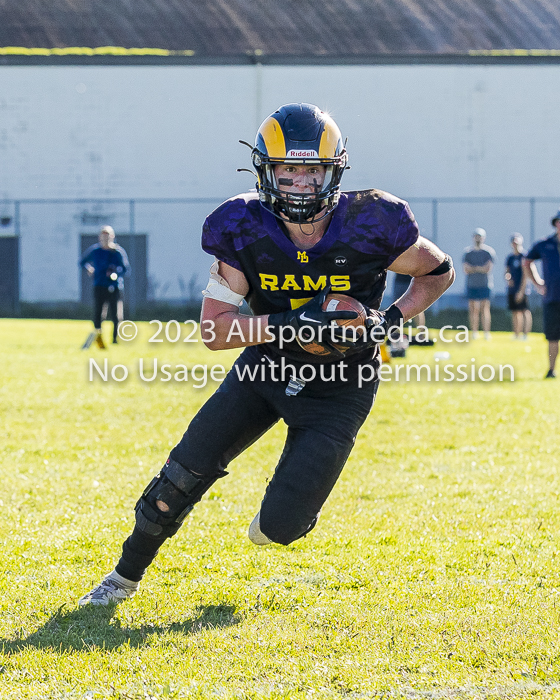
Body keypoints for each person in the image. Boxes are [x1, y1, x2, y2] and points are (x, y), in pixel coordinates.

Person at [78, 103, 455, 605]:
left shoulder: (372, 221)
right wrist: (289, 325)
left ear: (333, 172)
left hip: (341, 387)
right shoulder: (244, 226)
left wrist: (390, 318)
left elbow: (437, 270)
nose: (299, 182)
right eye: (287, 170)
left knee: (281, 527)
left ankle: (284, 515)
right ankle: (121, 578)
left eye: (311, 170)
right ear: (266, 170)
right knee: (179, 477)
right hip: (265, 370)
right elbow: (214, 331)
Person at [521, 210, 560, 378]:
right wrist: (537, 283)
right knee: (552, 337)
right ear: (555, 224)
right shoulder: (544, 244)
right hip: (552, 297)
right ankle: (551, 370)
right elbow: (527, 262)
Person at [79, 226, 130, 347]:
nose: (105, 238)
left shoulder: (117, 252)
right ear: (100, 237)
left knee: (115, 314)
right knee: (98, 313)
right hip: (99, 285)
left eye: (108, 236)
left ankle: (115, 339)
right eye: (103, 236)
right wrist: (89, 268)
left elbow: (125, 269)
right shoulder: (95, 251)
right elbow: (82, 261)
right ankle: (99, 338)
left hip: (114, 286)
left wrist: (115, 272)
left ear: (112, 237)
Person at [462, 228, 496, 340]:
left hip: (485, 284)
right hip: (472, 284)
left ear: (483, 238)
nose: (478, 238)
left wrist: (474, 268)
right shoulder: (468, 253)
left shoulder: (488, 252)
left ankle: (486, 333)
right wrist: (479, 268)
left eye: (480, 236)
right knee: (473, 309)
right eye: (476, 236)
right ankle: (474, 332)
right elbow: (466, 269)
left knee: (484, 308)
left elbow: (488, 268)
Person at [505, 234, 532, 340]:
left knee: (524, 311)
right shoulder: (510, 257)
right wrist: (508, 278)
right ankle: (516, 334)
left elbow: (526, 275)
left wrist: (521, 291)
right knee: (515, 311)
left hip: (522, 288)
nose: (515, 245)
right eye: (513, 243)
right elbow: (507, 271)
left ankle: (525, 335)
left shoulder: (524, 256)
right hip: (512, 289)